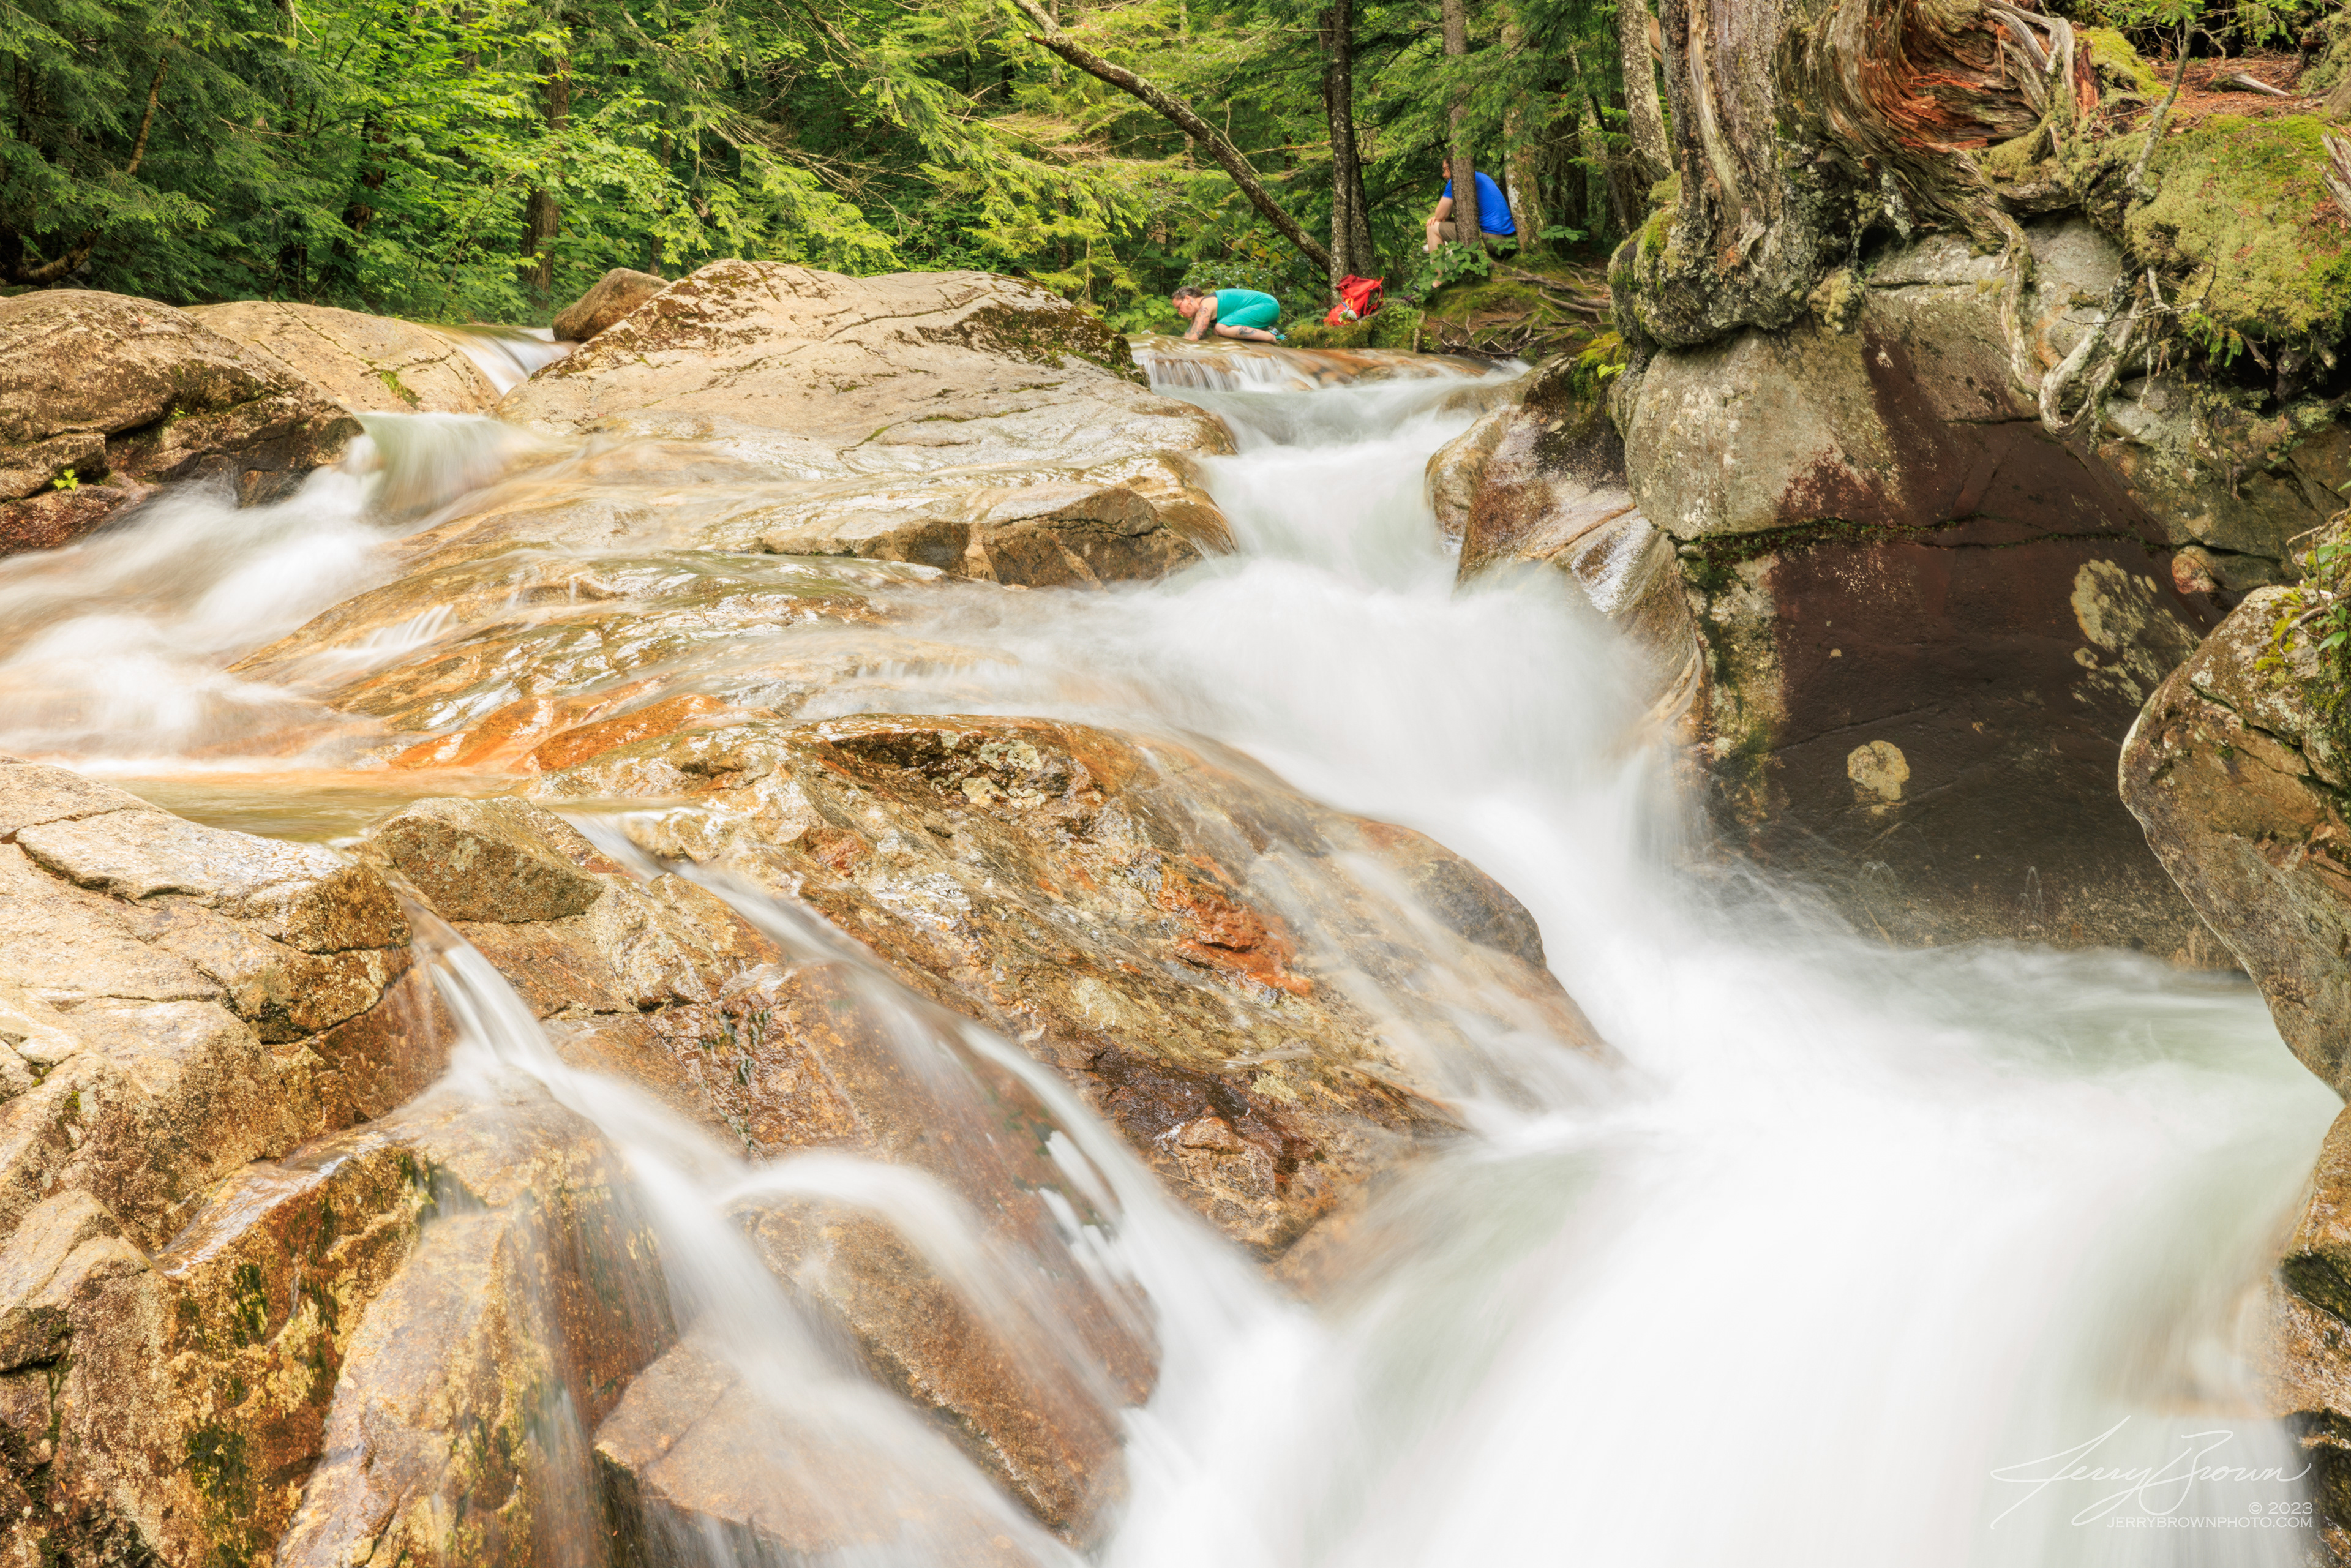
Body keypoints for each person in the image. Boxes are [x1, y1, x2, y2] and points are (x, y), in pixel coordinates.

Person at [1423, 158, 1517, 253]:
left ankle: (1438, 268)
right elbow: (1451, 218)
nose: (1444, 175)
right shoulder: (1482, 176)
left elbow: (1440, 215)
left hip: (1495, 241)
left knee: (1432, 227)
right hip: (1511, 240)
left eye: (1445, 170)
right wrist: (1441, 218)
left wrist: (1437, 218)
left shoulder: (1457, 179)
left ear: (1451, 167)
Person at [1172, 284, 1284, 342]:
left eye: (1179, 307)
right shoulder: (1200, 312)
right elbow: (1187, 337)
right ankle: (1268, 331)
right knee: (1217, 330)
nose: (1179, 313)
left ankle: (1271, 336)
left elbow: (1195, 338)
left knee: (1221, 327)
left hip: (1267, 305)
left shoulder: (1205, 306)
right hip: (1268, 307)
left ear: (1188, 299)